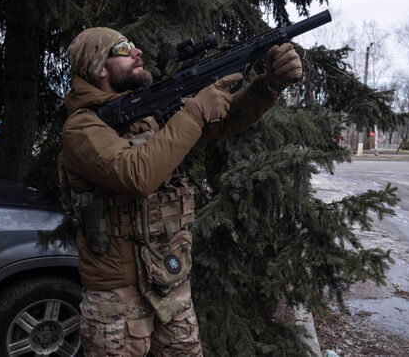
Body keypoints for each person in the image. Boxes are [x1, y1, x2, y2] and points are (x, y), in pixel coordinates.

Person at [58, 27, 302, 356]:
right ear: (98, 67)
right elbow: (136, 175)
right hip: (115, 295)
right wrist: (195, 111)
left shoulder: (148, 113)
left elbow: (225, 118)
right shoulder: (81, 128)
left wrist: (269, 86)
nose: (138, 52)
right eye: (124, 48)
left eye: (135, 45)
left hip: (169, 277)